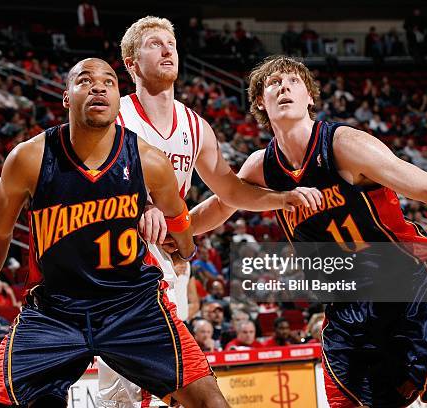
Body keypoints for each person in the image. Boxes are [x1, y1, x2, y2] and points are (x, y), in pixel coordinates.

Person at [190, 55, 427, 407]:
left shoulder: (344, 145)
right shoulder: (261, 167)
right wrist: (172, 228)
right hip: (345, 303)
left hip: (407, 286)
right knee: (347, 402)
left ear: (310, 96)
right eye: (273, 84)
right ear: (260, 104)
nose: (283, 87)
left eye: (293, 81)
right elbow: (216, 208)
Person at [0, 58, 229, 408]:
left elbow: (180, 220)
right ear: (67, 97)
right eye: (85, 81)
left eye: (109, 82)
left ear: (118, 99)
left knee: (212, 403)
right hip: (54, 311)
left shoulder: (149, 161)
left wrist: (184, 251)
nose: (98, 87)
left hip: (134, 306)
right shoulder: (29, 159)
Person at [99, 16, 319, 407]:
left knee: (165, 387)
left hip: (167, 262)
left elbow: (230, 191)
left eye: (172, 42)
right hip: (120, 264)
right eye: (154, 43)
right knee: (132, 392)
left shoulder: (195, 126)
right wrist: (138, 206)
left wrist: (279, 199)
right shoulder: (114, 117)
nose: (168, 49)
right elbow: (88, 187)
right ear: (131, 63)